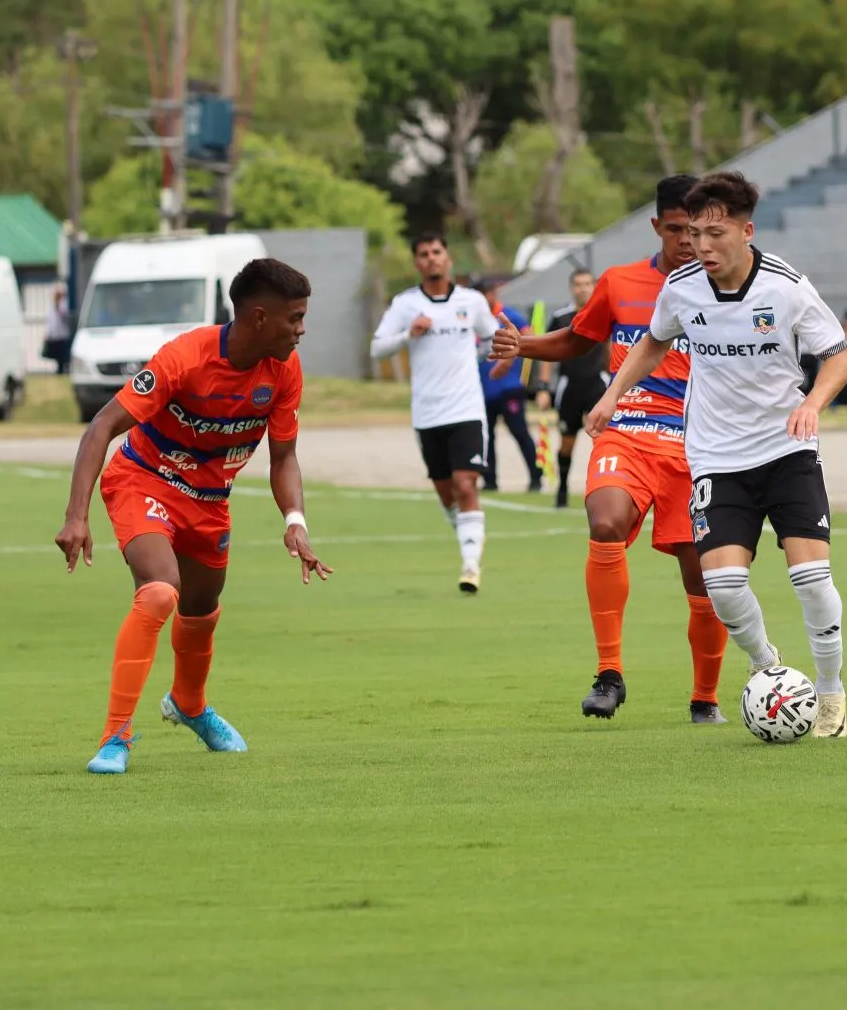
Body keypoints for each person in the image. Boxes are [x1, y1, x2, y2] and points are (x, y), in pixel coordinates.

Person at [587, 170, 847, 739]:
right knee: (725, 588)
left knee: (809, 576)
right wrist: (612, 396)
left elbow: (839, 356)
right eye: (694, 234)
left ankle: (830, 693)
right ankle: (769, 668)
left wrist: (813, 402)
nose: (701, 246)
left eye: (715, 233)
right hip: (716, 458)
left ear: (746, 230)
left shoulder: (785, 287)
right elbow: (654, 342)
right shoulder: (681, 288)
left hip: (786, 452)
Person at [54, 259, 330, 775]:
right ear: (259, 318)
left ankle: (190, 704)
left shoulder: (285, 371)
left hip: (209, 500)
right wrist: (77, 516)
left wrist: (296, 520)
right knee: (161, 590)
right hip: (144, 479)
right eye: (294, 318)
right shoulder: (185, 358)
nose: (302, 329)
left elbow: (284, 457)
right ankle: (116, 737)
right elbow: (101, 426)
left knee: (202, 608)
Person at [492, 175, 730, 725]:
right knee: (604, 523)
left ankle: (705, 698)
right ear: (657, 226)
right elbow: (580, 337)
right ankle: (609, 674)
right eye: (676, 230)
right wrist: (524, 343)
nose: (687, 243)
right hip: (627, 431)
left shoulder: (729, 288)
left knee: (706, 577)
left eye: (696, 232)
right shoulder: (620, 282)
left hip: (699, 447)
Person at [370, 232, 506, 594]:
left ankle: (470, 566)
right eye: (424, 253)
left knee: (466, 484)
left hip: (466, 409)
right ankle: (466, 538)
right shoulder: (404, 305)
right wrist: (407, 336)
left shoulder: (471, 301)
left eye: (437, 252)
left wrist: (503, 361)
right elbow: (377, 349)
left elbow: (496, 338)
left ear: (448, 259)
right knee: (446, 493)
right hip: (427, 414)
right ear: (417, 262)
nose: (431, 258)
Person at [535, 267, 607, 508]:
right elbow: (547, 351)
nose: (583, 288)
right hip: (570, 388)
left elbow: (615, 348)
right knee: (567, 443)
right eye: (578, 284)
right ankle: (562, 488)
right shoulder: (561, 317)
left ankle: (602, 492)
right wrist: (544, 387)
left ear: (594, 286)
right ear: (571, 288)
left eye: (587, 283)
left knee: (605, 442)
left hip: (599, 386)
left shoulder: (606, 313)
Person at [473, 277, 541, 493]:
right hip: (483, 389)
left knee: (520, 432)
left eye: (486, 292)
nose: (483, 298)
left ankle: (536, 477)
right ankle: (490, 480)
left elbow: (530, 338)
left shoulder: (508, 316)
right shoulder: (473, 320)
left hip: (508, 387)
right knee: (486, 437)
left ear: (493, 293)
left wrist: (512, 358)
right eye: (479, 294)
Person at [42, 284, 72, 374]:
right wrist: (47, 334)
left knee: (63, 356)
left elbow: (64, 315)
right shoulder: (52, 306)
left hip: (62, 335)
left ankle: (63, 369)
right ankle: (59, 369)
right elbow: (51, 322)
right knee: (56, 356)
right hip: (54, 335)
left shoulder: (64, 304)